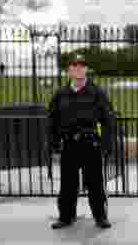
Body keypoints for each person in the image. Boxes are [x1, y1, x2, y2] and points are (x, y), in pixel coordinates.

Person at [48, 54, 116, 230]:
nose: (78, 69)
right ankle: (66, 217)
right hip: (69, 144)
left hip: (90, 143)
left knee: (95, 183)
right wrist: (54, 142)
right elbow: (52, 120)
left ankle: (100, 216)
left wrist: (107, 145)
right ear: (69, 70)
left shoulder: (96, 92)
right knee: (68, 183)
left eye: (81, 66)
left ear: (86, 69)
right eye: (74, 66)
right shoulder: (61, 94)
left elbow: (108, 120)